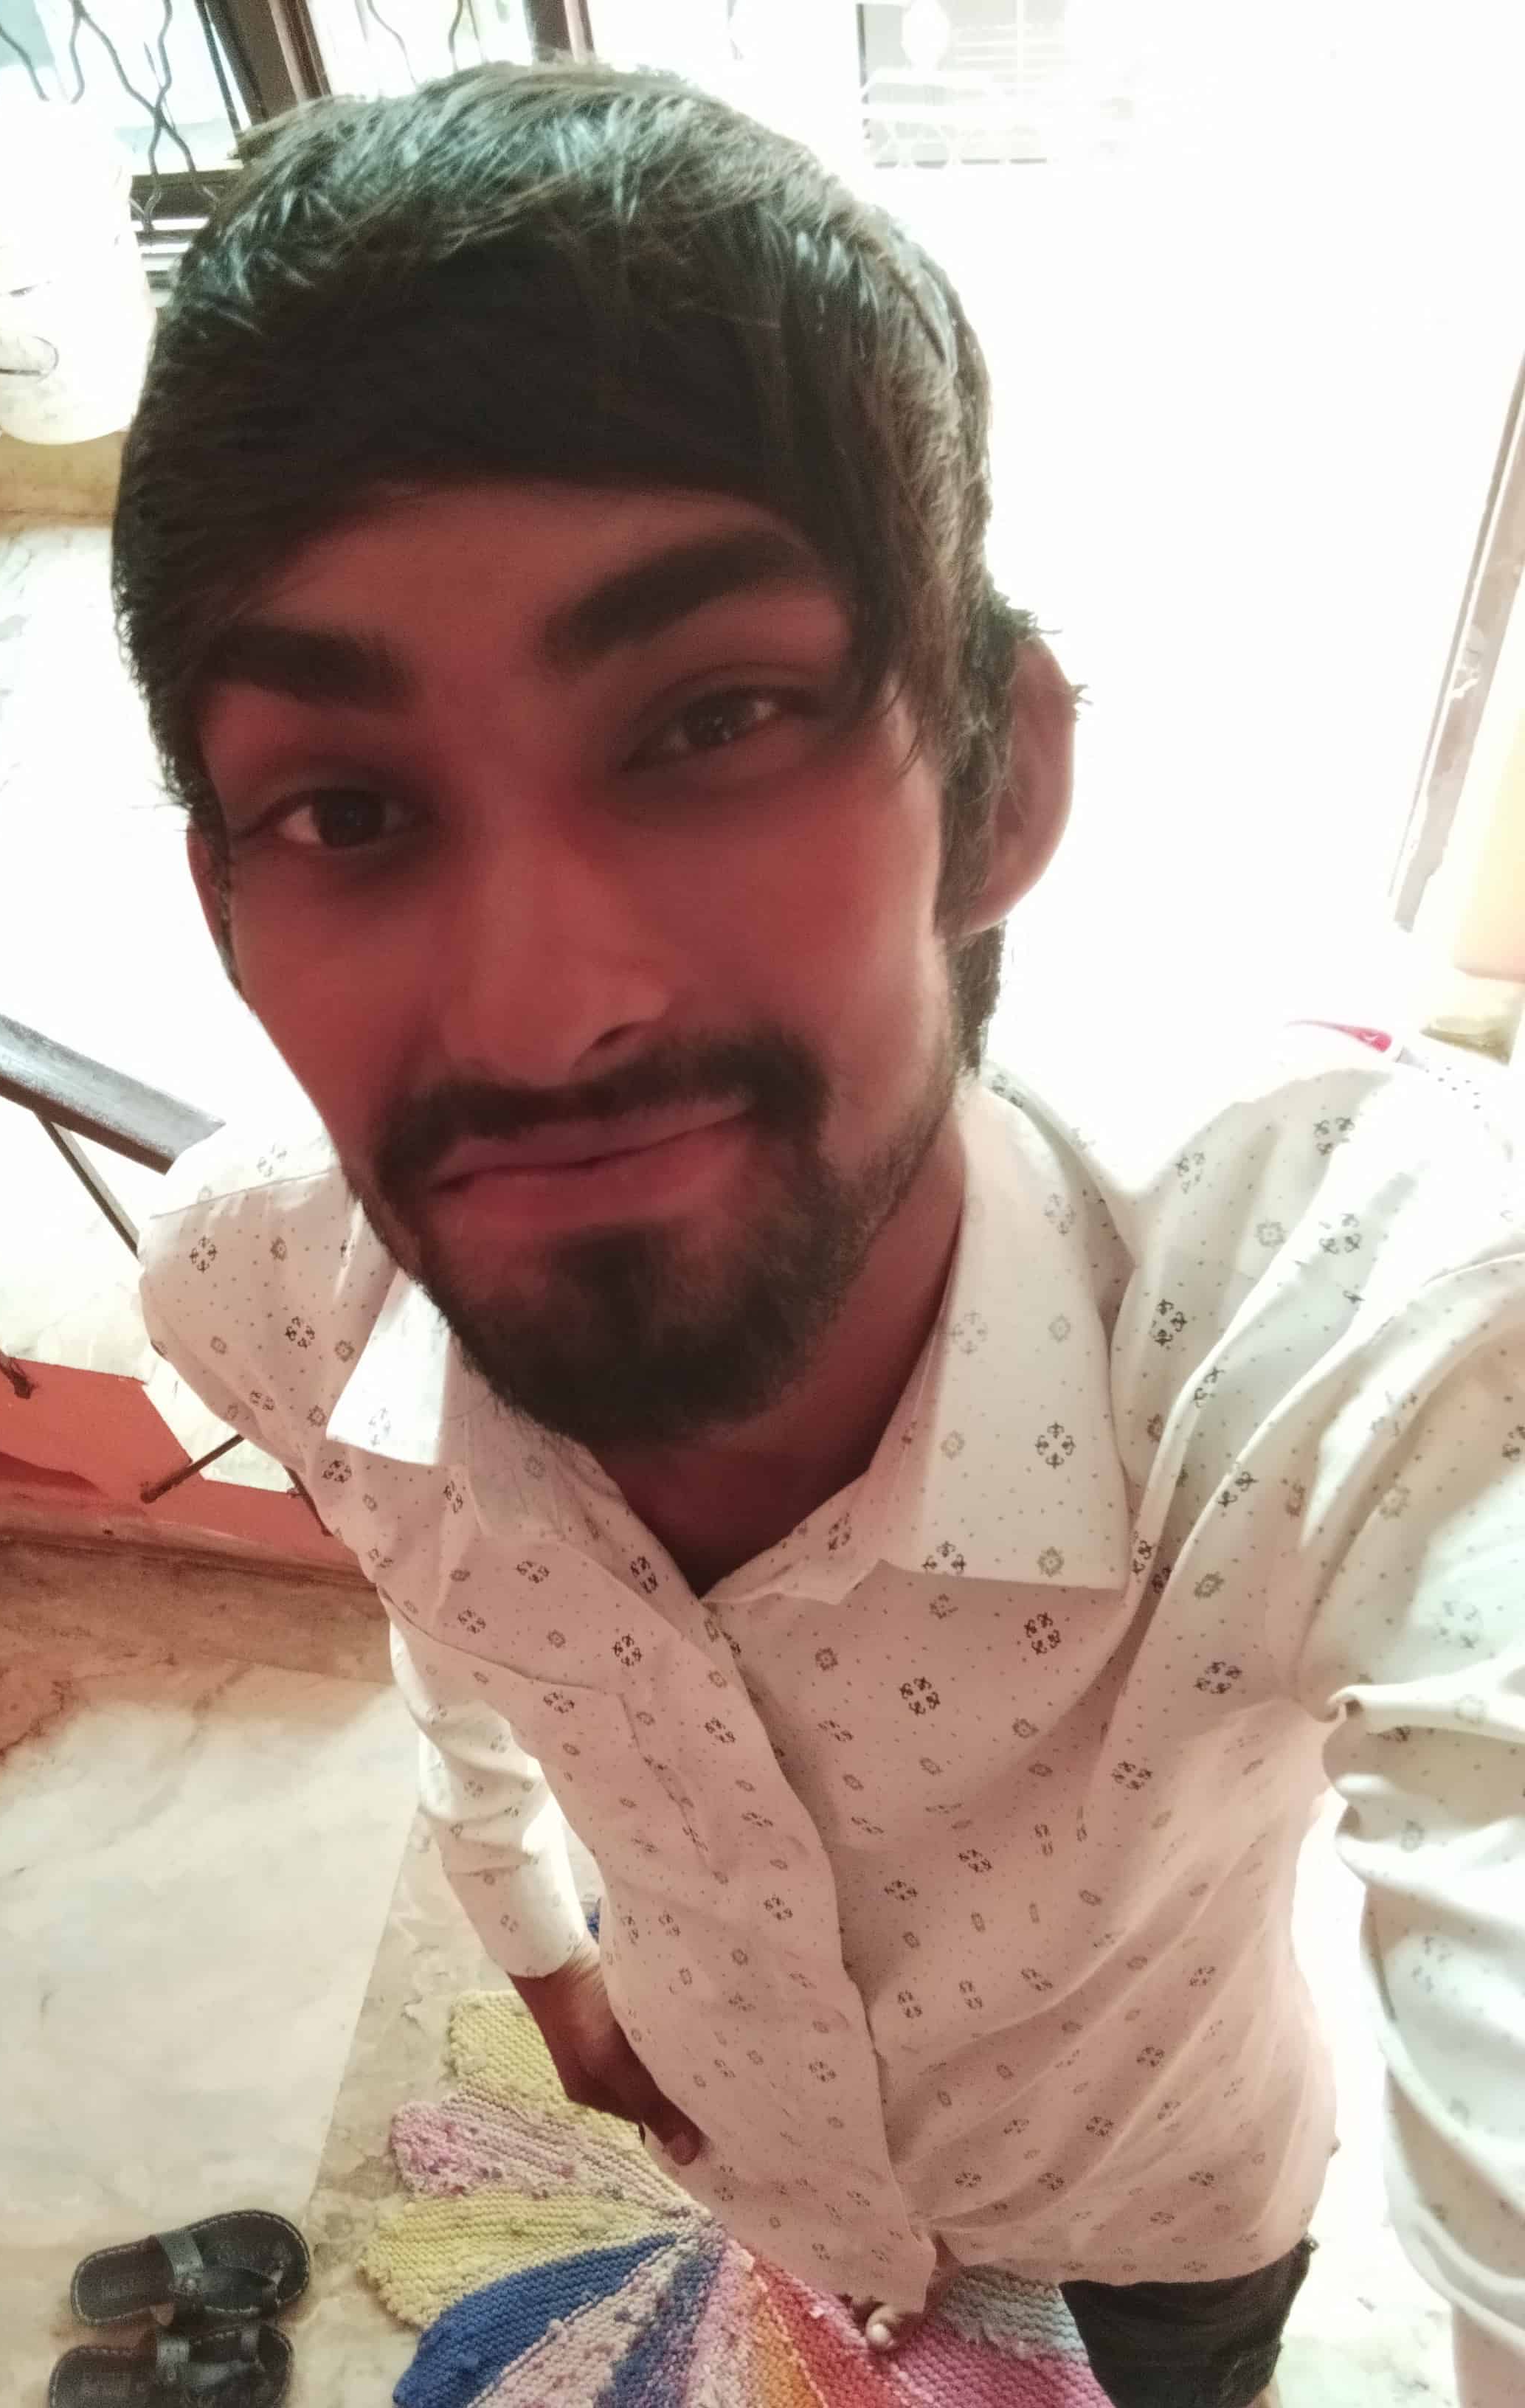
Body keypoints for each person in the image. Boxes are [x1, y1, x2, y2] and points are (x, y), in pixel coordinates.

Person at [115, 60, 1525, 2408]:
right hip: (755, 2155)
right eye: (349, 809)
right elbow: (440, 1589)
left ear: (999, 776)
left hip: (1161, 2229)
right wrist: (537, 1936)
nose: (540, 1010)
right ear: (230, 914)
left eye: (712, 722)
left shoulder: (1349, 1344)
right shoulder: (261, 1288)